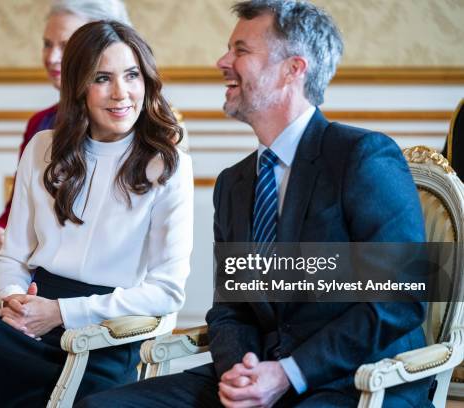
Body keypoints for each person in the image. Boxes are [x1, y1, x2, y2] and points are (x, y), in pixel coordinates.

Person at [77, 1, 432, 407]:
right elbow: (232, 310)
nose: (222, 61)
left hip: (356, 381)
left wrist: (288, 374)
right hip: (256, 374)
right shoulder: (234, 183)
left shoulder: (362, 157)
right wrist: (239, 374)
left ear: (293, 69)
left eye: (241, 50)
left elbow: (400, 296)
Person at [0, 20, 193, 407]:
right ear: (79, 86)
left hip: (105, 335)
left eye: (131, 75)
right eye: (102, 78)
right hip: (29, 318)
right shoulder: (42, 148)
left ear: (146, 80)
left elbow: (166, 292)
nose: (121, 93)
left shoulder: (168, 165)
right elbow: (13, 256)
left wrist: (60, 313)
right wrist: (13, 302)